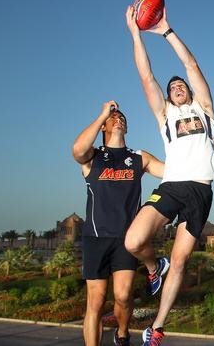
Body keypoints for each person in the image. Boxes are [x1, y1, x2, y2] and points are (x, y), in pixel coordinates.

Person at [124, 5, 214, 346]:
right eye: (174, 86)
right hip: (172, 186)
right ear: (168, 97)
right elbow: (146, 76)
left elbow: (191, 65)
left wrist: (166, 30)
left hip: (200, 192)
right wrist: (136, 33)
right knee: (134, 241)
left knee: (181, 262)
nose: (178, 85)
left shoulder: (204, 109)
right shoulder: (165, 115)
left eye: (182, 84)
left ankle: (158, 327)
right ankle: (154, 266)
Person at [72, 100, 164, 346]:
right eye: (113, 118)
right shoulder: (93, 157)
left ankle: (122, 333)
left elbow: (170, 171)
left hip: (125, 239)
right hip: (95, 238)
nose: (118, 119)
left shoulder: (138, 157)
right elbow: (77, 150)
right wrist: (103, 113)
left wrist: (203, 152)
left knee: (123, 297)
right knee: (96, 300)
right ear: (103, 126)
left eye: (122, 117)